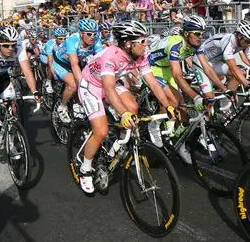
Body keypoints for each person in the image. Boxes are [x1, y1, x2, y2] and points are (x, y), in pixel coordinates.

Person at [75, 20, 177, 194]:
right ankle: (85, 169)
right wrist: (123, 114)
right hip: (91, 86)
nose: (146, 45)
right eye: (142, 41)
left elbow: (152, 82)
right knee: (101, 131)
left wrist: (167, 105)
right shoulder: (111, 55)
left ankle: (119, 140)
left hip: (111, 83)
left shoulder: (141, 56)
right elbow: (107, 88)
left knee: (133, 107)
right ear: (129, 43)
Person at [147, 15, 210, 163]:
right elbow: (177, 75)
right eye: (198, 34)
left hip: (166, 69)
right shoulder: (176, 43)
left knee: (182, 106)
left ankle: (178, 142)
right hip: (153, 69)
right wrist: (195, 97)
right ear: (187, 33)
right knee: (172, 101)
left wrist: (217, 89)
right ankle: (153, 125)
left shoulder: (194, 44)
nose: (201, 37)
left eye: (203, 33)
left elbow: (206, 67)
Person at [0, 26, 41, 140]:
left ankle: (11, 131)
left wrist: (35, 91)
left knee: (11, 101)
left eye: (13, 45)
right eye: (6, 45)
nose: (10, 48)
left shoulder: (19, 49)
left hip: (2, 75)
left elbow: (27, 72)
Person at [191, 20, 250, 98]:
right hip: (200, 61)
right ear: (240, 36)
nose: (249, 45)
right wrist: (248, 85)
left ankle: (226, 102)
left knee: (241, 73)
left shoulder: (244, 44)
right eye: (247, 41)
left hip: (214, 62)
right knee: (210, 98)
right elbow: (233, 68)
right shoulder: (228, 41)